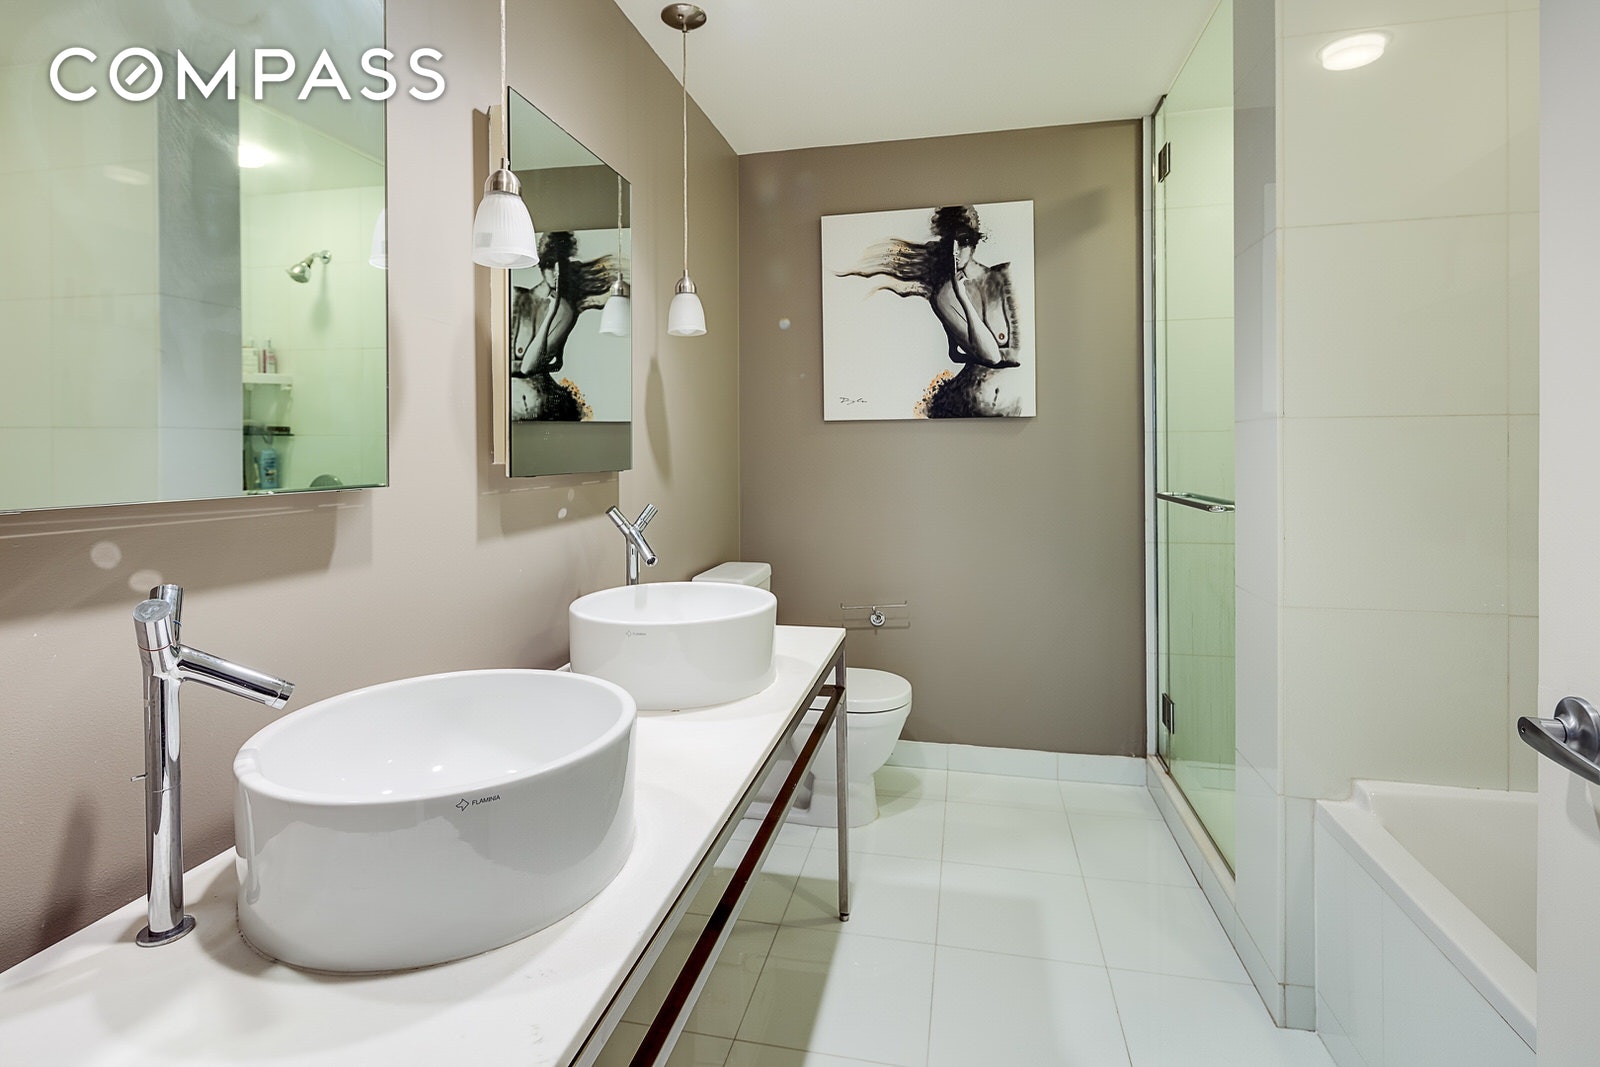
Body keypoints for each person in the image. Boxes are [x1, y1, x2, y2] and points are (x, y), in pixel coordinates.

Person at [838, 206, 1022, 417]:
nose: (955, 251)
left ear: (974, 241)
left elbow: (961, 354)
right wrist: (962, 297)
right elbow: (992, 357)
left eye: (963, 241)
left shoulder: (1006, 275)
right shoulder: (946, 296)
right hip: (974, 403)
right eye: (949, 242)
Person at [508, 232, 615, 421]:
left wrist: (551, 313)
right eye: (550, 264)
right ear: (541, 265)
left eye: (561, 264)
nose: (556, 271)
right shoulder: (514, 296)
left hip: (535, 404)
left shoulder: (563, 311)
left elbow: (528, 367)